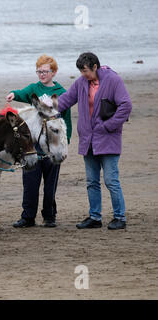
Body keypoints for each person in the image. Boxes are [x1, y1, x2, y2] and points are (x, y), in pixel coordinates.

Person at [58, 52, 132, 230]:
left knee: (111, 180)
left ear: (95, 67)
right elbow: (65, 100)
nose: (83, 74)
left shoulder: (113, 80)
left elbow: (126, 106)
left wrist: (109, 126)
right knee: (91, 181)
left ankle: (119, 217)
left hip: (108, 139)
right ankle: (95, 217)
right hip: (88, 140)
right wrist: (46, 111)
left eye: (85, 71)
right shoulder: (81, 82)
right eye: (81, 71)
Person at [6, 54, 72, 228]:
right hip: (33, 147)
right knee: (30, 184)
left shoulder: (62, 93)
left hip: (53, 147)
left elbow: (66, 121)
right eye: (39, 71)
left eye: (45, 71)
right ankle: (28, 217)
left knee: (50, 185)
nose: (42, 74)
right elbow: (22, 93)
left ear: (54, 72)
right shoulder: (33, 88)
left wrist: (66, 142)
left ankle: (49, 216)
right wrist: (14, 94)